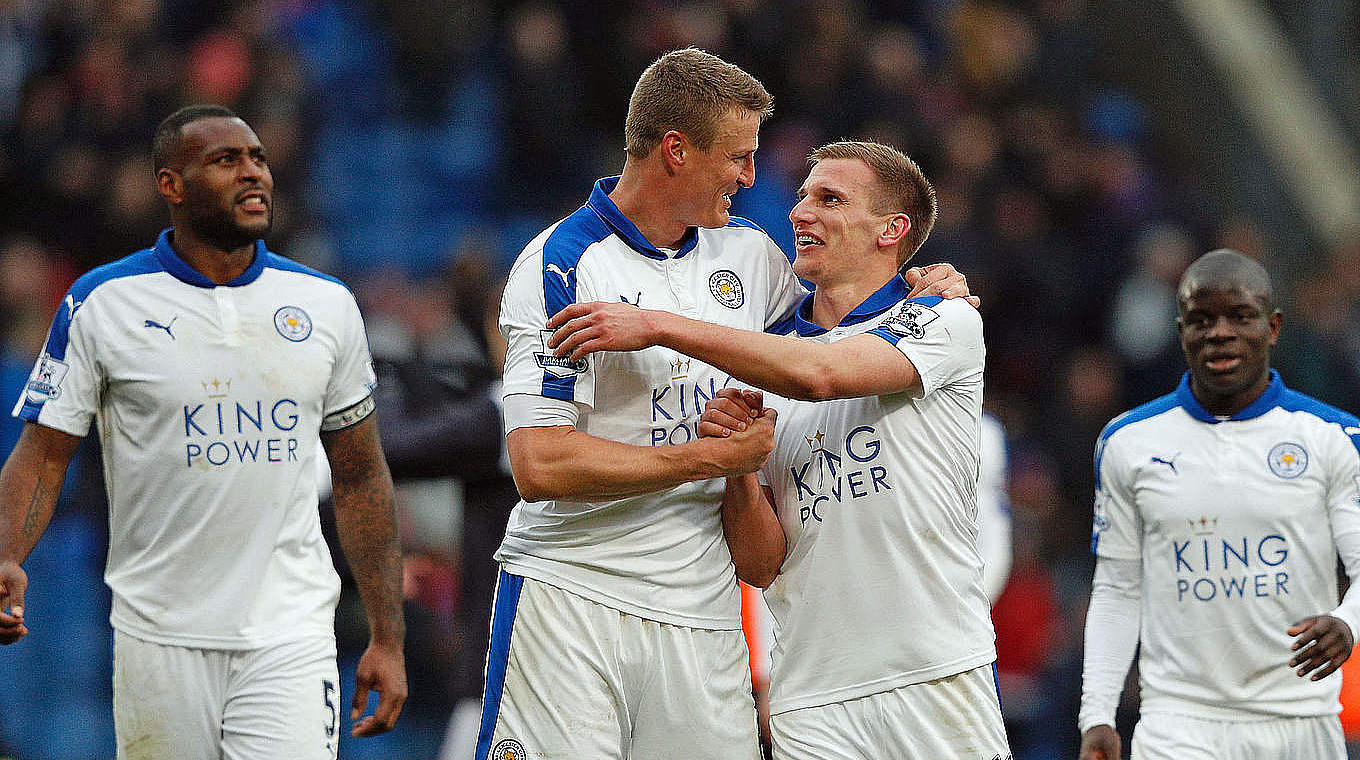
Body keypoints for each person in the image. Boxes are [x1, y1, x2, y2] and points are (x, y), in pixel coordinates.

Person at [483, 51, 970, 760]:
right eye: (738, 158)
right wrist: (706, 459)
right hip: (572, 595)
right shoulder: (562, 264)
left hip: (702, 610)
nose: (749, 178)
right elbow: (540, 465)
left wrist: (916, 290)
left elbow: (830, 346)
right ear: (676, 152)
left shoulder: (750, 257)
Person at [0, 104, 407, 757]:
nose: (253, 174)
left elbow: (360, 474)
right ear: (171, 184)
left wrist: (387, 635)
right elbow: (44, 457)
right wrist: (5, 555)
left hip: (292, 634)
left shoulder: (326, 305)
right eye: (227, 161)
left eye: (259, 160)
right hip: (158, 638)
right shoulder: (100, 304)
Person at [1078, 249, 1360, 760]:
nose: (1220, 332)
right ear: (1180, 329)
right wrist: (1097, 713)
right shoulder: (1129, 442)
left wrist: (1349, 623)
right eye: (1201, 320)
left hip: (1300, 720)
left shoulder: (1336, 437)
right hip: (1178, 723)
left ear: (1272, 328)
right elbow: (1118, 586)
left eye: (1241, 316)